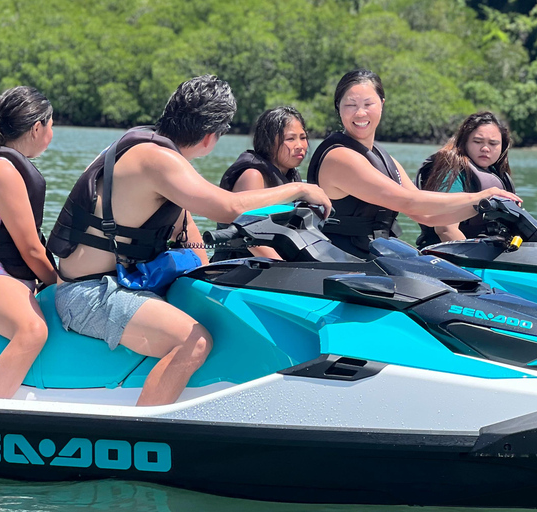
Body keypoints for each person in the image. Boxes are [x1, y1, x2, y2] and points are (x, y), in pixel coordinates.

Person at [47, 75, 331, 406]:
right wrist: (301, 188)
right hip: (89, 294)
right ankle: (144, 434)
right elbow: (227, 207)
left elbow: (188, 225)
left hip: (114, 284)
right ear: (211, 137)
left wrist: (211, 276)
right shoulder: (156, 159)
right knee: (192, 342)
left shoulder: (151, 147)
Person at [307, 69, 521, 259]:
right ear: (338, 108)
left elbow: (426, 216)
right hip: (341, 261)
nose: (360, 113)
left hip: (375, 254)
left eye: (368, 104)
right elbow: (409, 201)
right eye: (351, 105)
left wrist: (482, 208)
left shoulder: (384, 158)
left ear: (382, 104)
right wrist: (478, 196)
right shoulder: (339, 157)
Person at [0, 86, 57, 399]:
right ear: (36, 128)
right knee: (33, 330)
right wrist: (59, 282)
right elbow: (31, 250)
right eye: (51, 124)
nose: (52, 132)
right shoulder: (2, 170)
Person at [213, 106, 308, 261]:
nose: (300, 145)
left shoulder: (291, 176)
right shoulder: (253, 175)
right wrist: (283, 268)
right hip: (236, 268)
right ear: (268, 143)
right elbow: (249, 236)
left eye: (303, 137)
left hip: (271, 266)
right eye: (290, 139)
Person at [415, 111, 515, 248]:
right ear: (465, 142)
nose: (485, 148)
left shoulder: (495, 173)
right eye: (477, 142)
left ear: (502, 147)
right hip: (452, 257)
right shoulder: (452, 170)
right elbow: (445, 229)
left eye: (493, 143)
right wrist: (474, 263)